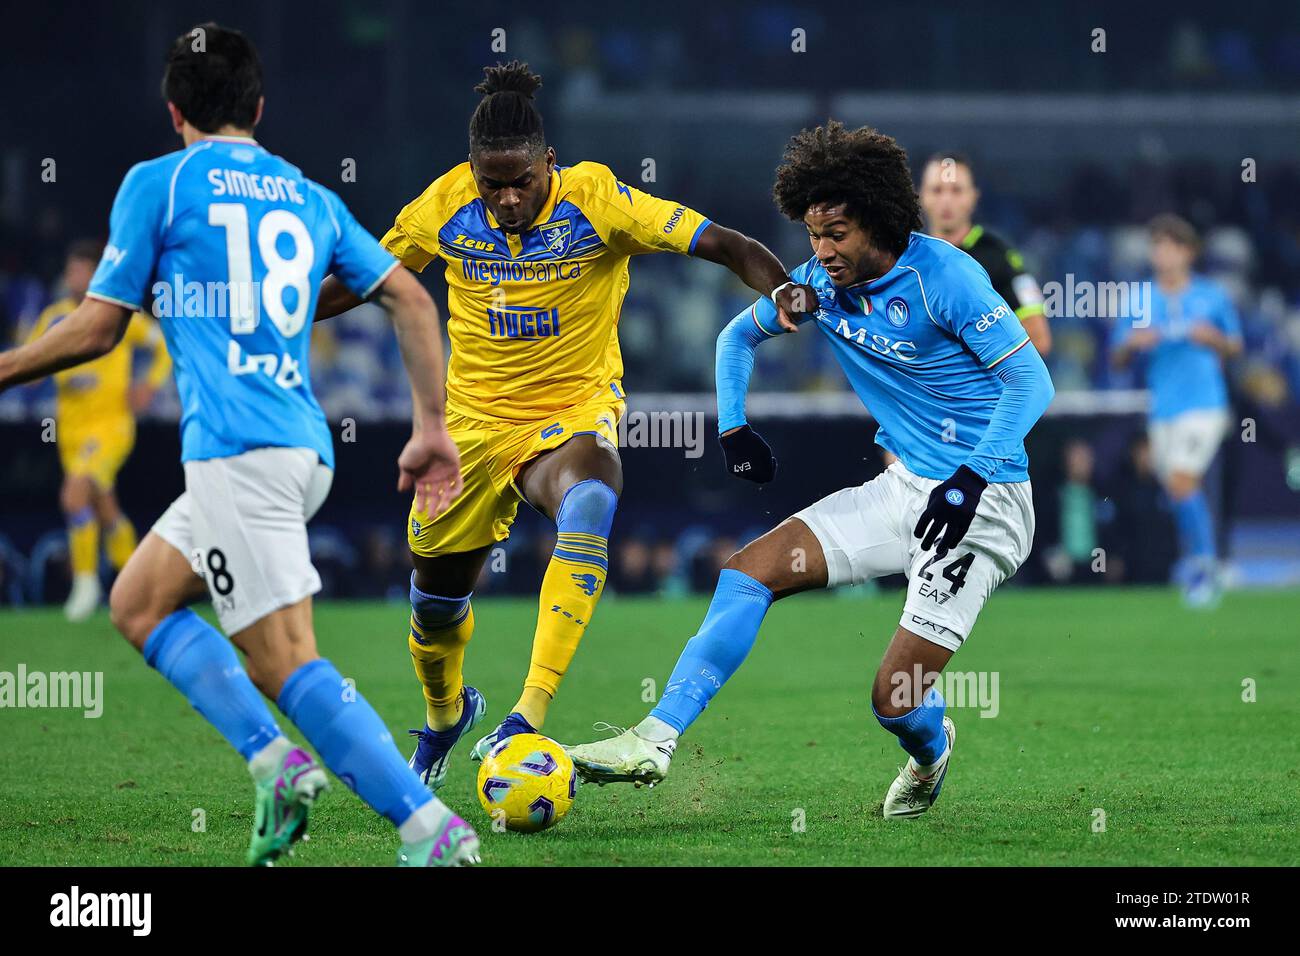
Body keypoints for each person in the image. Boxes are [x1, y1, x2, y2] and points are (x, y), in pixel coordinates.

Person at [0, 23, 478, 867]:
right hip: (298, 448)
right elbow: (409, 298)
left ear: (173, 110)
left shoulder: (159, 184)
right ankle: (275, 765)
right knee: (139, 602)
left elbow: (100, 327)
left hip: (238, 455)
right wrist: (430, 426)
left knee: (285, 665)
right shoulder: (306, 194)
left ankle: (431, 831)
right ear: (258, 107)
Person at [314, 61, 818, 789]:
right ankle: (447, 715)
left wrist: (784, 288)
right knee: (434, 607)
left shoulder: (598, 199)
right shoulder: (442, 206)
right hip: (471, 426)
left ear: (549, 161)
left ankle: (526, 715)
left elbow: (726, 245)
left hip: (569, 414)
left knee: (590, 496)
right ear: (472, 171)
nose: (507, 198)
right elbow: (366, 282)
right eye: (492, 184)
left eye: (521, 180)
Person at [565, 122, 1054, 819]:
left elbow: (1032, 383)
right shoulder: (818, 283)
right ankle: (654, 738)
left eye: (837, 235)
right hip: (907, 487)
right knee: (747, 572)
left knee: (894, 701)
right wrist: (733, 426)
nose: (821, 252)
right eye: (814, 235)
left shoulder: (947, 278)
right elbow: (736, 337)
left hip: (985, 502)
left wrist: (971, 477)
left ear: (878, 220)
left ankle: (931, 748)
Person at [23, 240, 172, 620]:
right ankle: (139, 586)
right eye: (70, 271)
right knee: (106, 509)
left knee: (74, 496)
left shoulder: (118, 314)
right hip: (70, 432)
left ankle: (86, 585)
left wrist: (149, 386)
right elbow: (30, 361)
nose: (73, 278)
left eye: (80, 271)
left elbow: (164, 345)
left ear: (96, 274)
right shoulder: (54, 318)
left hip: (110, 427)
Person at [1112, 214, 1242, 607]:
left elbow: (1235, 346)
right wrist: (1133, 343)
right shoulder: (1140, 299)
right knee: (1176, 488)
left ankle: (1205, 567)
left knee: (1183, 481)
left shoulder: (1211, 295)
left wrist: (1213, 338)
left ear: (1188, 252)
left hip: (1205, 404)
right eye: (1157, 246)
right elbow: (1116, 357)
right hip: (1163, 408)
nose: (1162, 254)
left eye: (1170, 246)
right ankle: (1200, 559)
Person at [919, 152, 1050, 355]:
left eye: (956, 190)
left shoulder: (998, 255)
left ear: (973, 197)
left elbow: (1039, 339)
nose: (946, 200)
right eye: (937, 190)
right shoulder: (905, 254)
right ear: (921, 196)